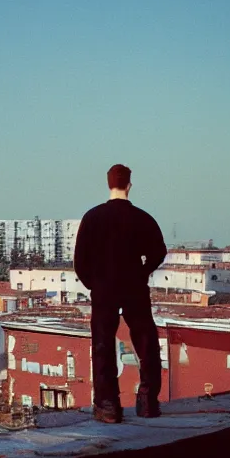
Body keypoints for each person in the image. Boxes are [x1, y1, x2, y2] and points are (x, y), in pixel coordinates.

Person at [74, 164, 167, 423]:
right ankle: (148, 402)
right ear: (129, 185)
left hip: (104, 289)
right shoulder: (142, 218)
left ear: (108, 185)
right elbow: (159, 252)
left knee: (103, 345)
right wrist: (143, 271)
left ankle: (108, 406)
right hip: (134, 287)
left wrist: (95, 284)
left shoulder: (92, 217)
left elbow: (79, 261)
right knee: (146, 342)